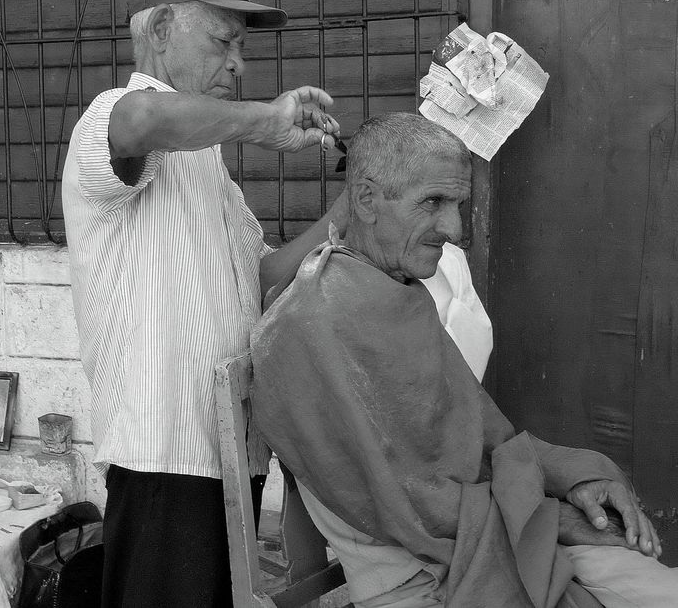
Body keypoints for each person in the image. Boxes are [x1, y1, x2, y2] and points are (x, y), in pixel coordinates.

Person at [251, 112, 677, 608]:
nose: (453, 228)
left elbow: (479, 438)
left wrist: (574, 478)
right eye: (432, 203)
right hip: (429, 573)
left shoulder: (395, 291)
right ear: (365, 201)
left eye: (456, 205)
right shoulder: (314, 320)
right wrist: (553, 516)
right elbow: (413, 506)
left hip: (495, 531)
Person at [62, 0, 348, 608]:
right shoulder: (110, 116)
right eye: (222, 40)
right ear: (160, 31)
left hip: (228, 455)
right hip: (166, 458)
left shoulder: (205, 166)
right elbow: (141, 121)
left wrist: (347, 210)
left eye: (240, 47)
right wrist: (265, 121)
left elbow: (263, 276)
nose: (238, 63)